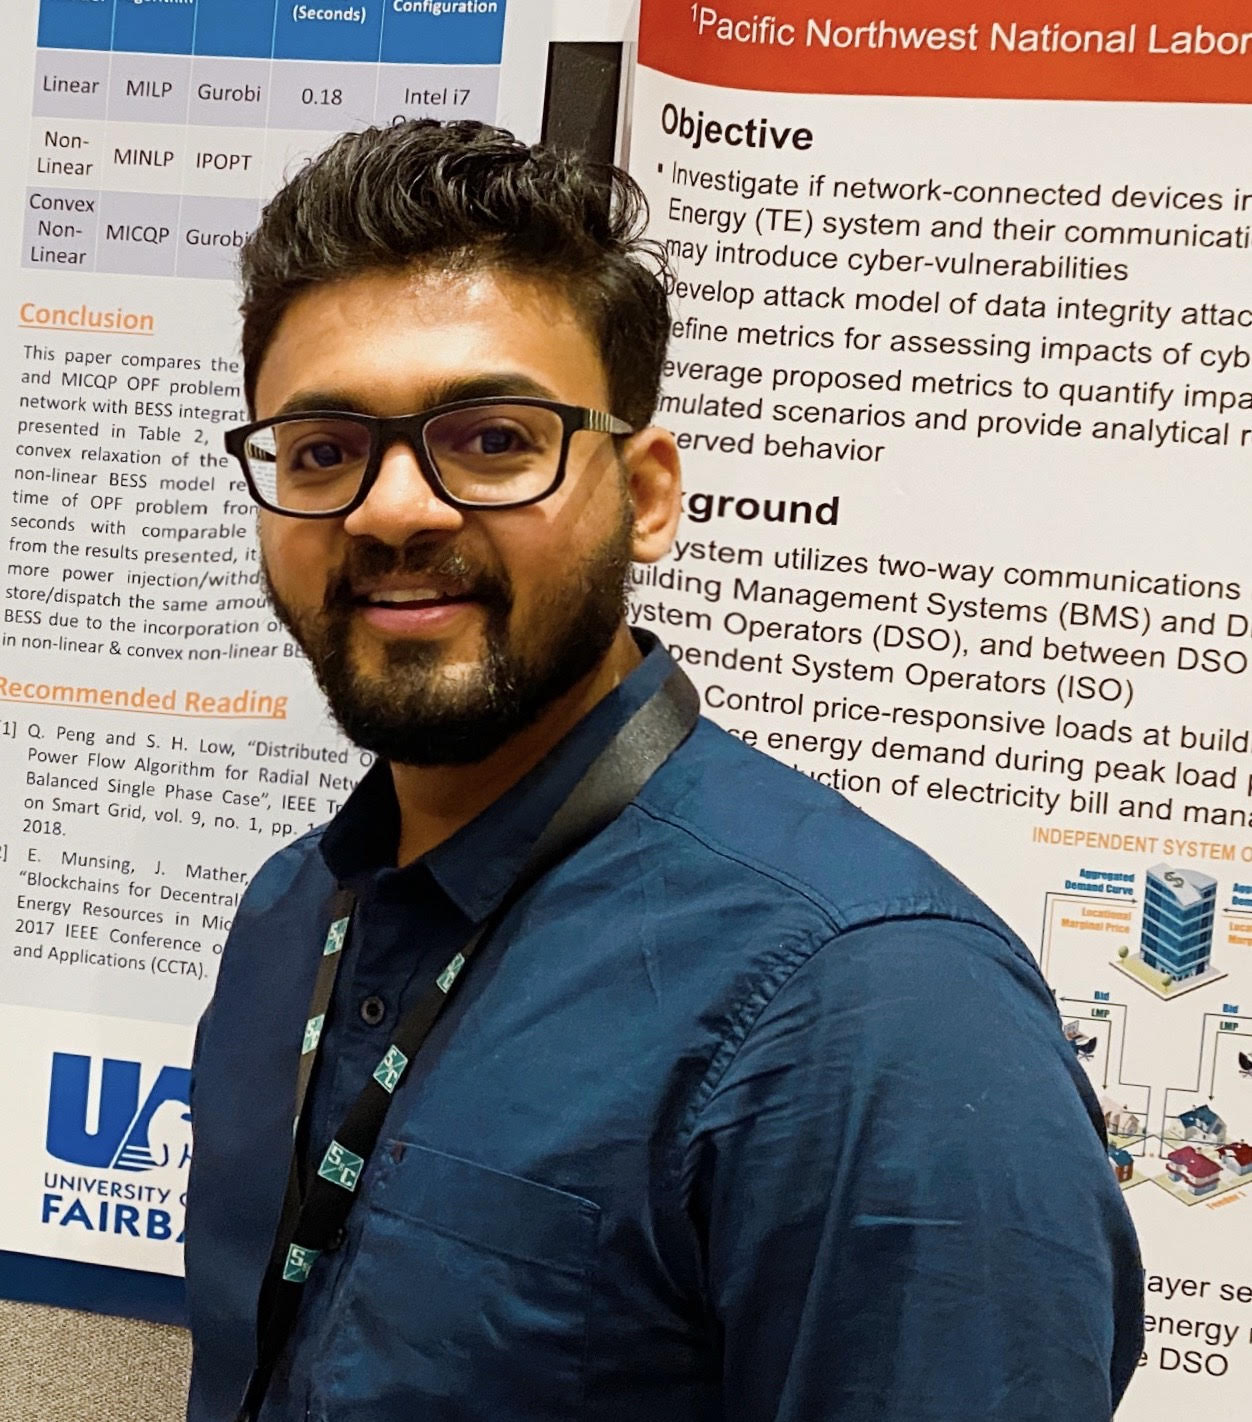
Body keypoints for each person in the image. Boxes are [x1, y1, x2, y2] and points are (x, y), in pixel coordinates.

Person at [186, 119, 1143, 1422]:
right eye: (322, 450)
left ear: (646, 492)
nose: (393, 506)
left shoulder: (874, 1014)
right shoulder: (289, 917)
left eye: (491, 437)